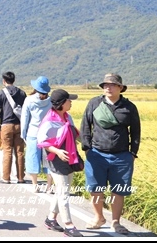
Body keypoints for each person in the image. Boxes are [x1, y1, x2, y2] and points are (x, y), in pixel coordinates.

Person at [80, 73, 141, 235]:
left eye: (112, 84)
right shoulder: (94, 103)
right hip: (96, 154)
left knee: (119, 190)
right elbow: (85, 126)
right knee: (95, 188)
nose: (108, 87)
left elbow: (136, 131)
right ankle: (99, 217)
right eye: (105, 85)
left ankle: (116, 222)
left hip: (122, 156)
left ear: (120, 88)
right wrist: (87, 148)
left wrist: (132, 154)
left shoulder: (129, 107)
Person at [37, 89, 84, 237]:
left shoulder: (67, 117)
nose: (71, 102)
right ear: (62, 103)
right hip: (55, 158)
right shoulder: (49, 121)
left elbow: (74, 134)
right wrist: (57, 151)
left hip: (69, 156)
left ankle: (51, 218)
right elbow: (41, 142)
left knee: (63, 188)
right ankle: (69, 226)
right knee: (64, 192)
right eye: (69, 100)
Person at [0, 71, 27, 184]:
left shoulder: (1, 93)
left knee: (7, 151)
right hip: (19, 125)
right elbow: (26, 111)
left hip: (6, 125)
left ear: (4, 81)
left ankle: (6, 178)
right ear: (14, 80)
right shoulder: (22, 93)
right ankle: (21, 178)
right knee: (20, 152)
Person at [21, 76, 52, 192]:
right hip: (48, 135)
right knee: (49, 159)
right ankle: (49, 186)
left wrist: (23, 134)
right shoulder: (51, 101)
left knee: (32, 158)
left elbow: (24, 119)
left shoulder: (29, 100)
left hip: (33, 133)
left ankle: (35, 185)